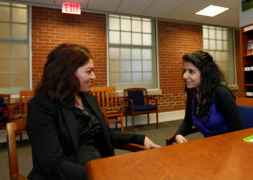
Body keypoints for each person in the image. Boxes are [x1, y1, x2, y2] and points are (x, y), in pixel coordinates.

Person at [26, 43, 160, 180]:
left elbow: (105, 135)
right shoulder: (41, 106)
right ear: (67, 74)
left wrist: (140, 138)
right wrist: (96, 175)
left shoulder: (88, 99)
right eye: (89, 72)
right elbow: (53, 165)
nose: (94, 76)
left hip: (97, 168)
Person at [174, 50, 242, 144]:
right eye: (185, 70)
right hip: (208, 146)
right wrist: (179, 134)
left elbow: (237, 131)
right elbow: (188, 120)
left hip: (228, 146)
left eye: (191, 72)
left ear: (206, 73)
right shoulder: (192, 92)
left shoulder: (221, 94)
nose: (185, 76)